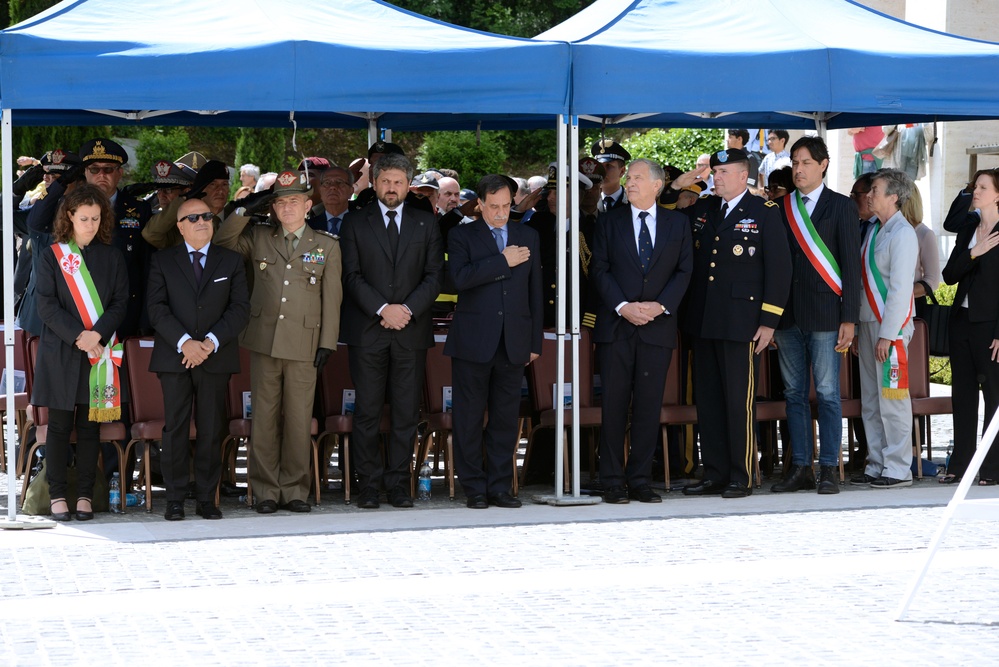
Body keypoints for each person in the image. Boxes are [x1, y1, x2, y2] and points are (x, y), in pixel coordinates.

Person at [666, 149, 791, 498]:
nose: (716, 178)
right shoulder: (704, 209)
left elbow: (780, 271)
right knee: (709, 401)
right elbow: (665, 214)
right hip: (704, 320)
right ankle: (716, 472)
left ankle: (742, 475)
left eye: (723, 172)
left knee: (738, 401)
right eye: (714, 172)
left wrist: (769, 322)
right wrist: (677, 185)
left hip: (743, 323)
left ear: (742, 176)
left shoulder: (763, 213)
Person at [215, 170, 342, 513]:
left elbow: (332, 299)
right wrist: (243, 209)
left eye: (294, 201)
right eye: (281, 202)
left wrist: (327, 342)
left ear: (307, 205)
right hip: (264, 340)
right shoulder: (258, 237)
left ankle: (295, 490)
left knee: (299, 420)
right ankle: (266, 491)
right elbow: (223, 243)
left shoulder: (326, 245)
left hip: (305, 342)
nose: (287, 208)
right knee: (266, 419)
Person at [340, 153, 444, 509]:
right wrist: (384, 309)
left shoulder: (425, 223)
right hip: (369, 330)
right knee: (367, 412)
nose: (391, 188)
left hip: (410, 331)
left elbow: (434, 276)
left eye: (398, 182)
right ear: (374, 182)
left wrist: (407, 310)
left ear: (408, 185)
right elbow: (351, 276)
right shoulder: (355, 222)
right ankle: (368, 484)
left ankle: (399, 484)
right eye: (385, 181)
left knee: (404, 413)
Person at [591, 159, 692, 504]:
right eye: (628, 177)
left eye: (636, 178)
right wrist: (623, 306)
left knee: (649, 407)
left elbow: (684, 271)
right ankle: (612, 481)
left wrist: (660, 306)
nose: (629, 183)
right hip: (617, 328)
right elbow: (599, 270)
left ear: (656, 185)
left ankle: (640, 479)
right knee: (614, 407)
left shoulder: (678, 224)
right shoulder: (608, 222)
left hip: (657, 328)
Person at [146, 197, 250, 521]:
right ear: (179, 226)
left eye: (206, 216)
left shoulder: (231, 261)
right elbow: (156, 308)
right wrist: (184, 343)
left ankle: (207, 497)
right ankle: (175, 499)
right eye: (193, 218)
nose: (202, 221)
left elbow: (239, 309)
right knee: (175, 428)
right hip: (175, 356)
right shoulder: (162, 261)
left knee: (211, 428)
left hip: (214, 356)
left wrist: (209, 343)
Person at [770, 136, 861, 495]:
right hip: (788, 316)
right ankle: (800, 466)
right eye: (794, 163)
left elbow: (851, 268)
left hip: (826, 314)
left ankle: (828, 469)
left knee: (826, 393)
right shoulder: (781, 208)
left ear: (823, 165)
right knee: (793, 393)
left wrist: (849, 318)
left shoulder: (841, 207)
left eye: (805, 162)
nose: (798, 169)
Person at [445, 175, 543, 509]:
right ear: (480, 205)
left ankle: (501, 486)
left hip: (513, 340)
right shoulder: (461, 235)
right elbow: (459, 279)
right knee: (469, 417)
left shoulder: (527, 235)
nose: (501, 213)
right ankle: (474, 486)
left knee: (504, 419)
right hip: (473, 340)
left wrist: (534, 341)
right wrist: (502, 261)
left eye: (506, 206)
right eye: (494, 207)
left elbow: (535, 291)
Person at [32, 185, 127, 521]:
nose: (90, 224)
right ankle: (58, 496)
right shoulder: (52, 255)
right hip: (62, 350)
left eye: (96, 218)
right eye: (84, 218)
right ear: (69, 216)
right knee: (59, 426)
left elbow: (120, 303)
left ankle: (85, 495)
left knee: (90, 427)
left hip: (98, 352)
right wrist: (79, 336)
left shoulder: (112, 256)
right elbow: (45, 305)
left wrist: (96, 334)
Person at [853, 169, 919, 489]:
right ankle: (878, 461)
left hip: (888, 328)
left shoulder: (903, 233)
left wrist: (888, 333)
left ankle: (898, 467)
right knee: (871, 399)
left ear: (894, 196)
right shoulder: (875, 230)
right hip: (869, 323)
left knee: (892, 398)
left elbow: (900, 290)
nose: (869, 195)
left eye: (875, 190)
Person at [939, 170, 999, 486]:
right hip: (960, 323)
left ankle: (992, 468)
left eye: (982, 187)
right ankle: (960, 464)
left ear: (998, 194)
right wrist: (974, 252)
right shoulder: (968, 229)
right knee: (961, 396)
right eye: (975, 186)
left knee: (994, 396)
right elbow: (949, 275)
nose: (976, 191)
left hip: (990, 326)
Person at [79, 138, 153, 337]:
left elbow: (147, 265)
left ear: (120, 173)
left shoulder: (139, 209)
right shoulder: (70, 207)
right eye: (94, 169)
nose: (101, 175)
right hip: (82, 311)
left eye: (109, 169)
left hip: (126, 311)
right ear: (85, 173)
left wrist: (145, 320)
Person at [900, 187, 940, 317]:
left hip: (912, 307)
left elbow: (932, 281)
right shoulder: (877, 229)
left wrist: (895, 295)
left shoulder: (924, 233)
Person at [307, 164, 353, 236]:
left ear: (351, 191)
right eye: (327, 183)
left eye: (339, 182)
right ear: (320, 191)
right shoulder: (308, 227)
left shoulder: (363, 223)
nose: (333, 187)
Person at [591, 139, 631, 212]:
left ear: (622, 171)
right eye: (600, 166)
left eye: (608, 166)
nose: (602, 171)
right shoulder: (588, 201)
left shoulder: (633, 201)